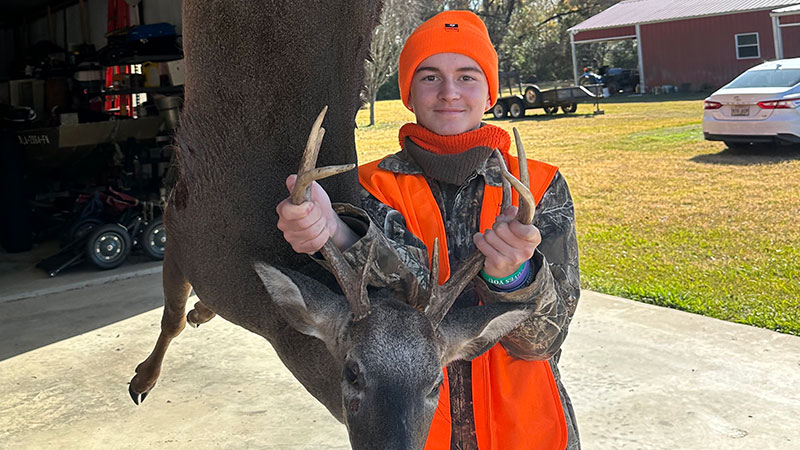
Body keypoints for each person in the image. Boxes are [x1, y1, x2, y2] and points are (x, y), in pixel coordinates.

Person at [276, 10, 580, 450]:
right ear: (408, 93)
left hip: (525, 431)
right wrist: (340, 236)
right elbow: (392, 311)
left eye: (468, 76)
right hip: (405, 435)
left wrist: (514, 277)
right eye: (430, 76)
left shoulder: (540, 187)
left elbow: (544, 340)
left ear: (490, 92)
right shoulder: (367, 190)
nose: (450, 93)